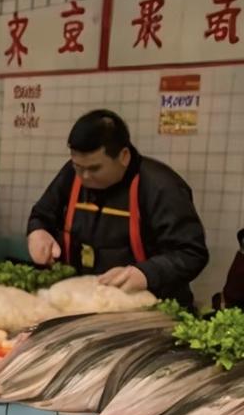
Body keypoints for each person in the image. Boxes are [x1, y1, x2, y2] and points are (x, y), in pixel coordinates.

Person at [27, 109, 208, 305]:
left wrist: (146, 273)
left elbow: (191, 253)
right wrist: (38, 232)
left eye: (95, 168)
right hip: (84, 304)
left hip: (151, 308)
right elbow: (42, 215)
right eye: (78, 166)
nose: (84, 176)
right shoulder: (72, 175)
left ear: (123, 156)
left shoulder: (161, 187)